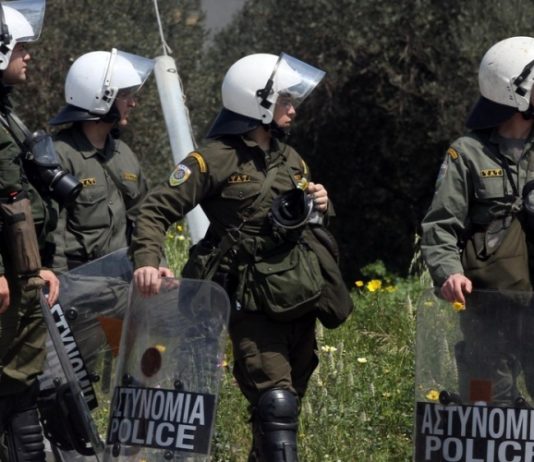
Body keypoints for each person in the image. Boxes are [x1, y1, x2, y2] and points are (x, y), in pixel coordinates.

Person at [131, 52, 330, 461]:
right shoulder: (213, 158)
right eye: (284, 101)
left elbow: (302, 222)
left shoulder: (293, 160)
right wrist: (148, 261)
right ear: (257, 102)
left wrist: (322, 205)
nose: (293, 110)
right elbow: (154, 210)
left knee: (284, 407)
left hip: (296, 296)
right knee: (276, 403)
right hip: (248, 299)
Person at [421, 36, 534, 406]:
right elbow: (440, 225)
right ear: (516, 92)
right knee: (486, 410)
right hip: (488, 311)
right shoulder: (467, 154)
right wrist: (449, 274)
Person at [0, 1, 61, 460]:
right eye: (19, 45)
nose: (28, 54)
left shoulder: (8, 117)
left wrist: (40, 267)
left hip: (21, 281)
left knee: (19, 385)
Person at [48, 48, 156, 271]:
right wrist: (58, 281)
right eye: (124, 95)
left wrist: (154, 265)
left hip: (123, 279)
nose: (132, 103)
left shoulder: (124, 154)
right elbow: (53, 230)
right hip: (78, 281)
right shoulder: (61, 155)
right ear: (100, 97)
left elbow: (144, 217)